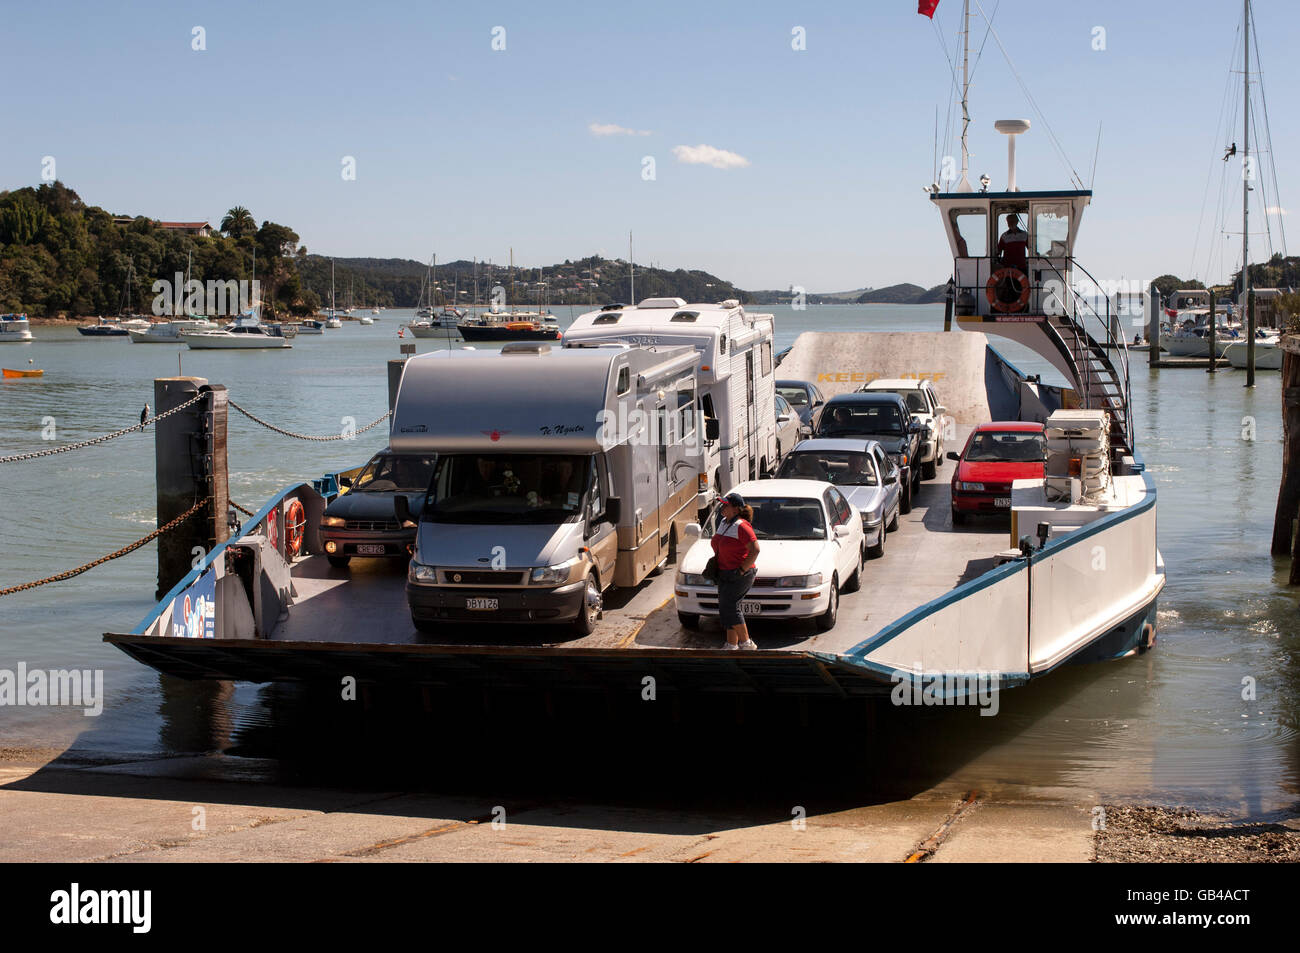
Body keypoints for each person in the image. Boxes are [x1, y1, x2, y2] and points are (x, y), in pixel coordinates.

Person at [711, 491, 760, 651]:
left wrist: (741, 570)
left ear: (736, 509)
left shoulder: (742, 525)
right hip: (724, 572)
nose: (722, 507)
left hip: (739, 574)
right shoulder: (724, 522)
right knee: (726, 607)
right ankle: (731, 645)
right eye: (722, 504)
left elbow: (755, 550)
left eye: (726, 505)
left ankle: (747, 644)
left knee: (731, 607)